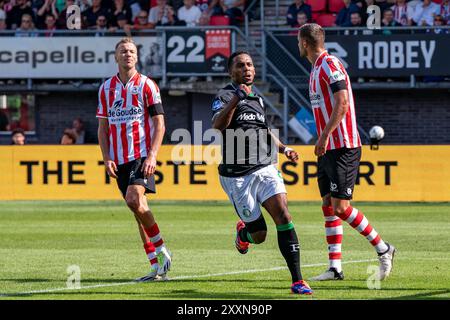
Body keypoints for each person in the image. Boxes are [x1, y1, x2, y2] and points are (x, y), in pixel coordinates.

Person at [297, 24, 396, 281]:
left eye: (299, 41)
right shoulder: (316, 67)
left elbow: (341, 103)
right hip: (329, 147)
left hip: (343, 145)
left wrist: (325, 135)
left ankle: (384, 249)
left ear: (305, 43)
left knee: (341, 207)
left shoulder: (329, 65)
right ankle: (335, 267)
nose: (298, 46)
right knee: (328, 205)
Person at [211, 51, 313, 295]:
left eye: (249, 65)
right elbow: (218, 125)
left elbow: (265, 128)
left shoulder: (258, 98)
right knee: (259, 235)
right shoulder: (225, 95)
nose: (246, 68)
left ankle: (298, 280)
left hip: (266, 166)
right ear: (230, 72)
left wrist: (284, 148)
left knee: (284, 216)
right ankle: (243, 232)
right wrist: (236, 99)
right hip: (237, 175)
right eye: (240, 65)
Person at [97, 37, 171, 282]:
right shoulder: (106, 88)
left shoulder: (147, 85)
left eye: (131, 51)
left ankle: (161, 249)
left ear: (136, 57)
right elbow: (103, 127)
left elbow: (159, 123)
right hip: (119, 160)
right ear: (116, 57)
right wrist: (106, 157)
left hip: (140, 155)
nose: (127, 54)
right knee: (137, 209)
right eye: (123, 51)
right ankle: (155, 267)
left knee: (133, 199)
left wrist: (152, 155)